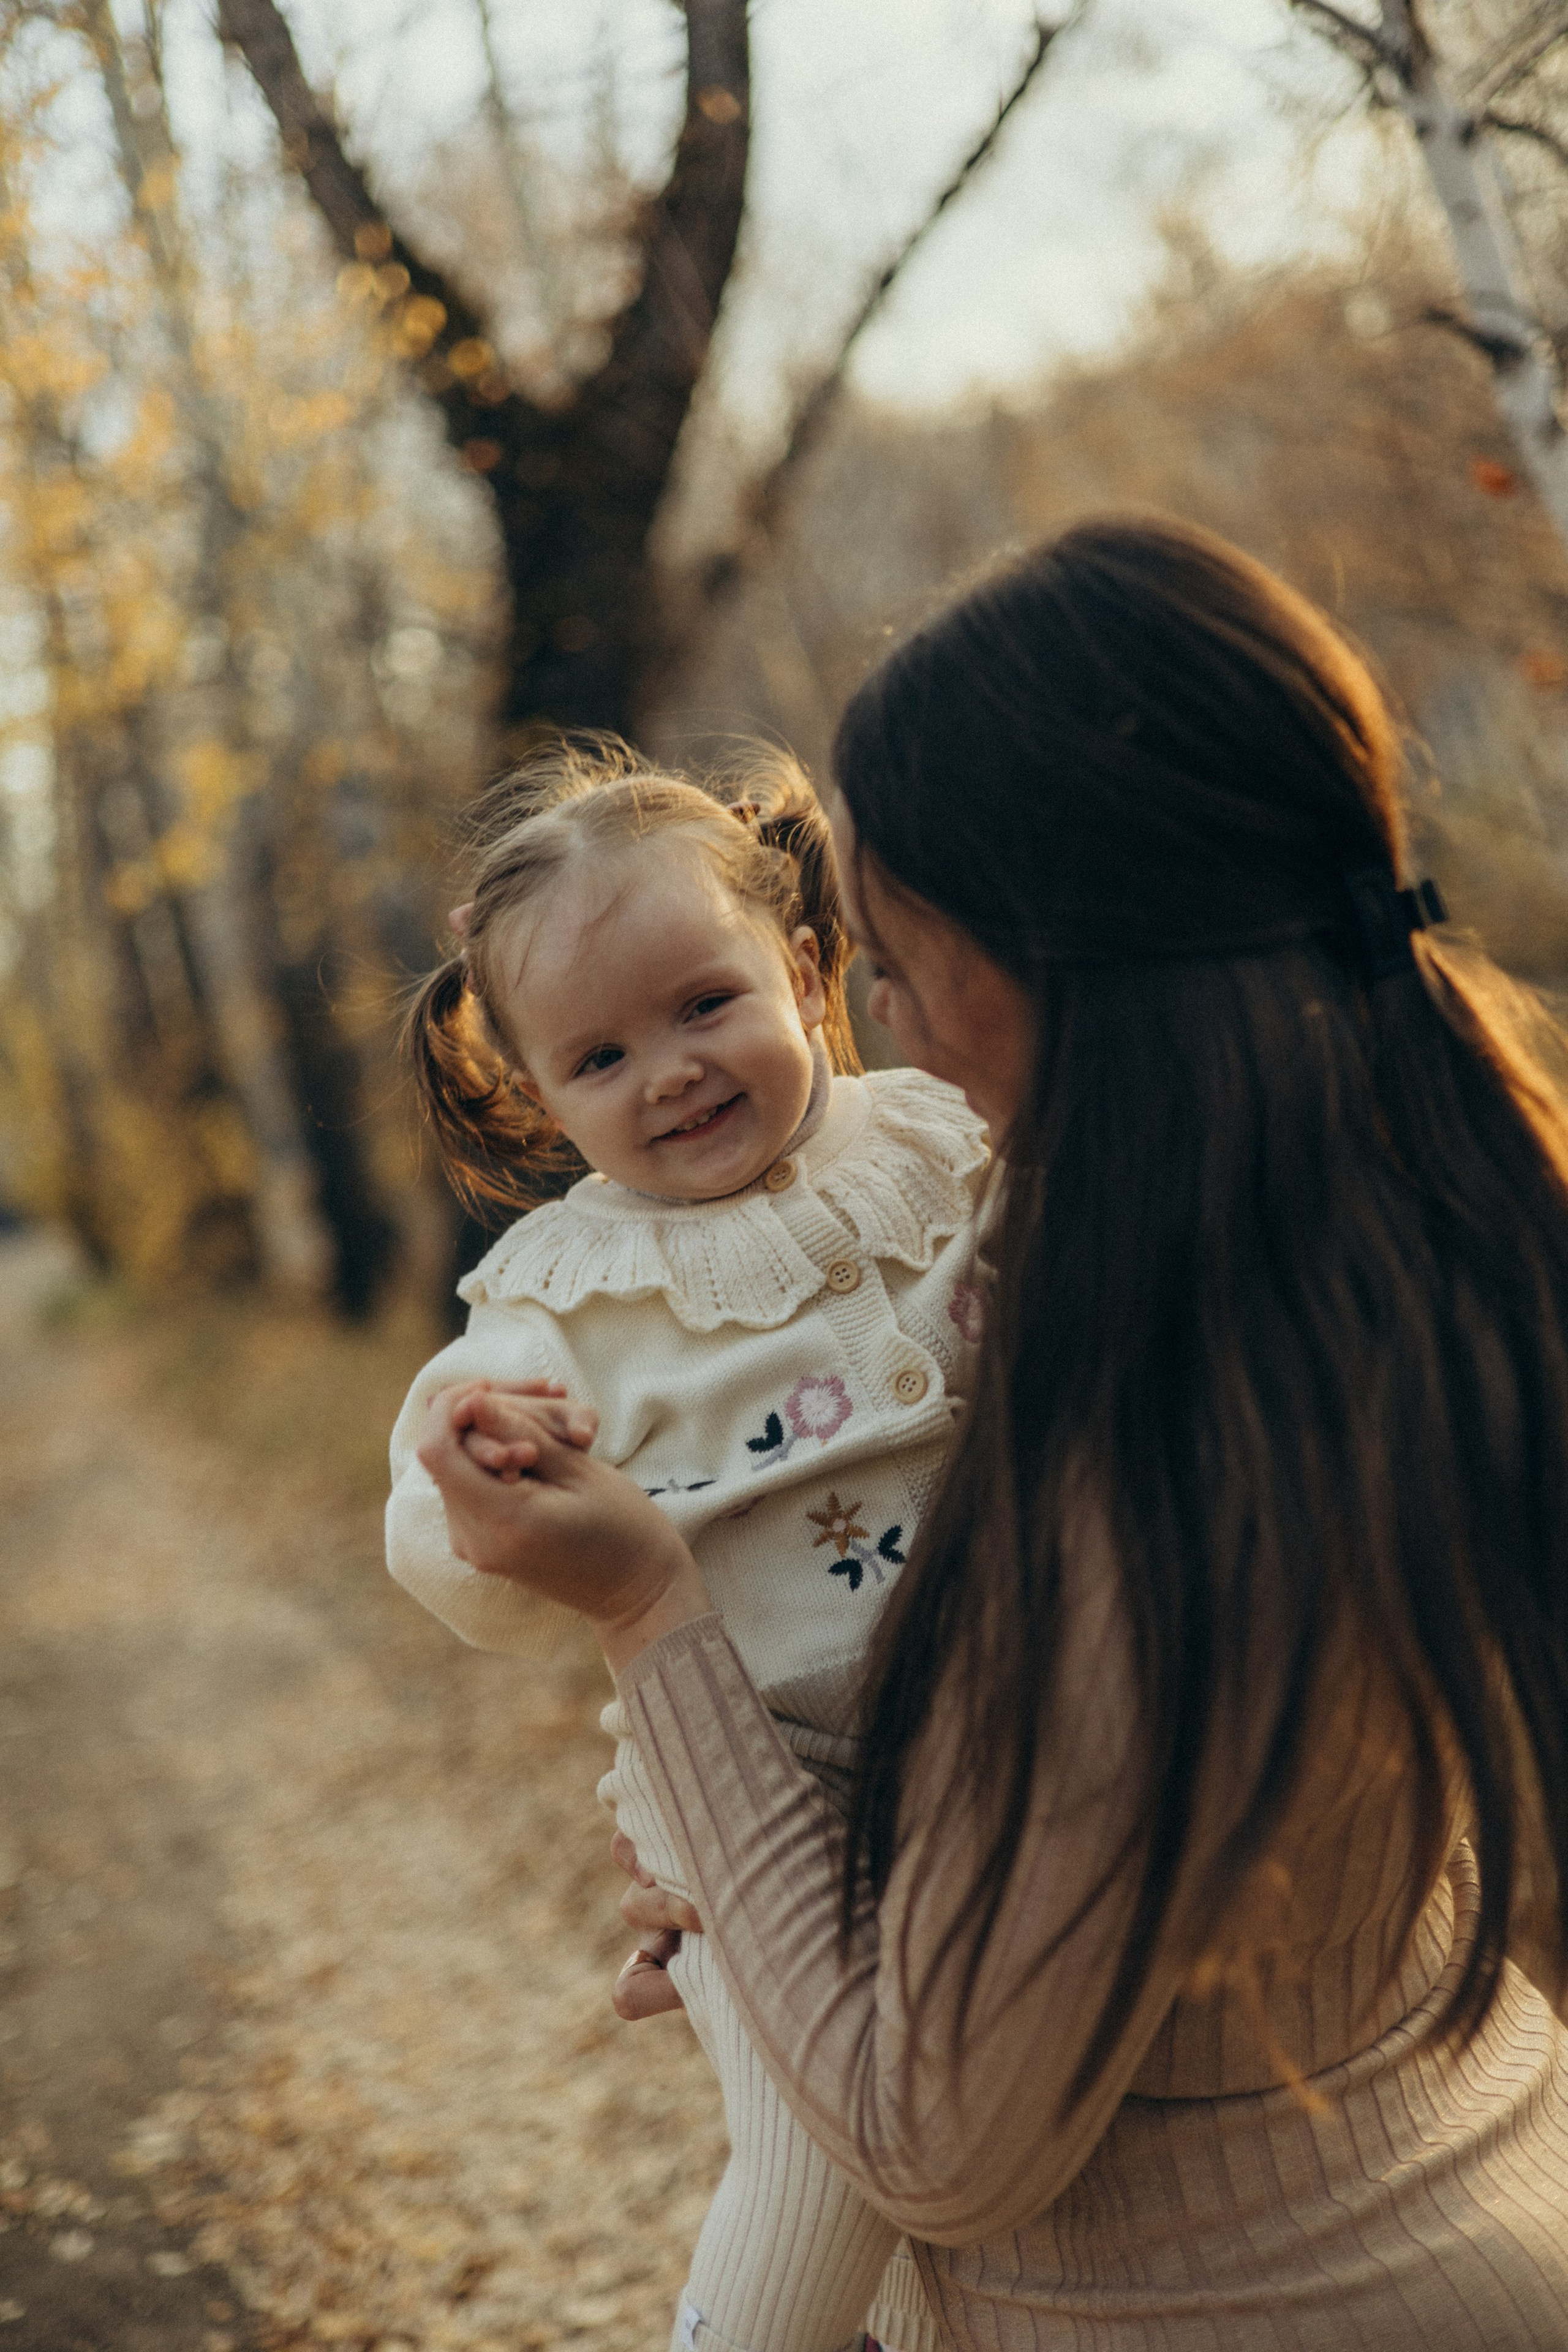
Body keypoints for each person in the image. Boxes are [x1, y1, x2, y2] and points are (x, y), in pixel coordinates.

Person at [417, 519, 1568, 2350]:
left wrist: (656, 1627)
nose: (882, 1033)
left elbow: (924, 2132)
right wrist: (771, 1911)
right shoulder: (1419, 1230)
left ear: (1041, 968)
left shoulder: (1152, 1439)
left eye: (882, 966)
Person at [388, 742, 986, 2352]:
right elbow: (459, 1547)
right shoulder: (564, 1298)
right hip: (750, 1819)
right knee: (834, 2158)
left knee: (961, 2186)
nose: (670, 1072)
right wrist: (480, 1475)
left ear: (801, 969)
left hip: (1004, 1772)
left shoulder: (932, 1143)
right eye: (599, 1055)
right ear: (537, 1093)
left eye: (705, 1006)